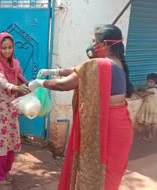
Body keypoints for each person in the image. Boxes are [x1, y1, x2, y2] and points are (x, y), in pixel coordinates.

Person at [29, 25, 134, 190]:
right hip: (121, 124)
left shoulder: (100, 64)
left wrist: (40, 83)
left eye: (93, 41)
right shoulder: (117, 62)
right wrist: (52, 71)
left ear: (103, 44)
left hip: (107, 127)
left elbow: (65, 85)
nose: (90, 45)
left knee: (98, 174)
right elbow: (78, 70)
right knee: (109, 175)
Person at [0, 32, 30, 185]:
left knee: (10, 140)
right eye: (4, 48)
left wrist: (30, 87)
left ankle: (6, 171)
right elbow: (4, 83)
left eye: (10, 47)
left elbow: (20, 79)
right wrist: (18, 88)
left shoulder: (15, 63)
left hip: (12, 108)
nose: (7, 51)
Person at [135, 73, 157, 142]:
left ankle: (151, 136)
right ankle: (153, 136)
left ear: (155, 83)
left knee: (147, 123)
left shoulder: (152, 90)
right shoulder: (151, 88)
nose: (148, 83)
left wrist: (133, 90)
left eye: (151, 82)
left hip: (150, 108)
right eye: (148, 81)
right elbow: (145, 90)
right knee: (152, 123)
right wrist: (140, 89)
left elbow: (142, 95)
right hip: (151, 107)